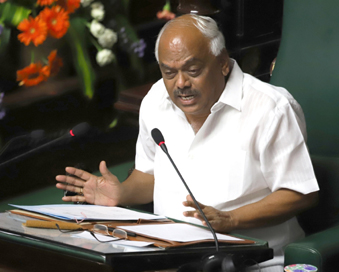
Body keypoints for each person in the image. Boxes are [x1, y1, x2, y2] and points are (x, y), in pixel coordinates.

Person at [56, 14, 319, 271]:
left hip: (253, 262)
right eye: (169, 72)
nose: (180, 83)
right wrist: (122, 193)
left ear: (223, 63)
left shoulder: (270, 107)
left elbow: (301, 193)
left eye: (193, 70)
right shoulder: (156, 100)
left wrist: (231, 219)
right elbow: (150, 176)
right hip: (168, 258)